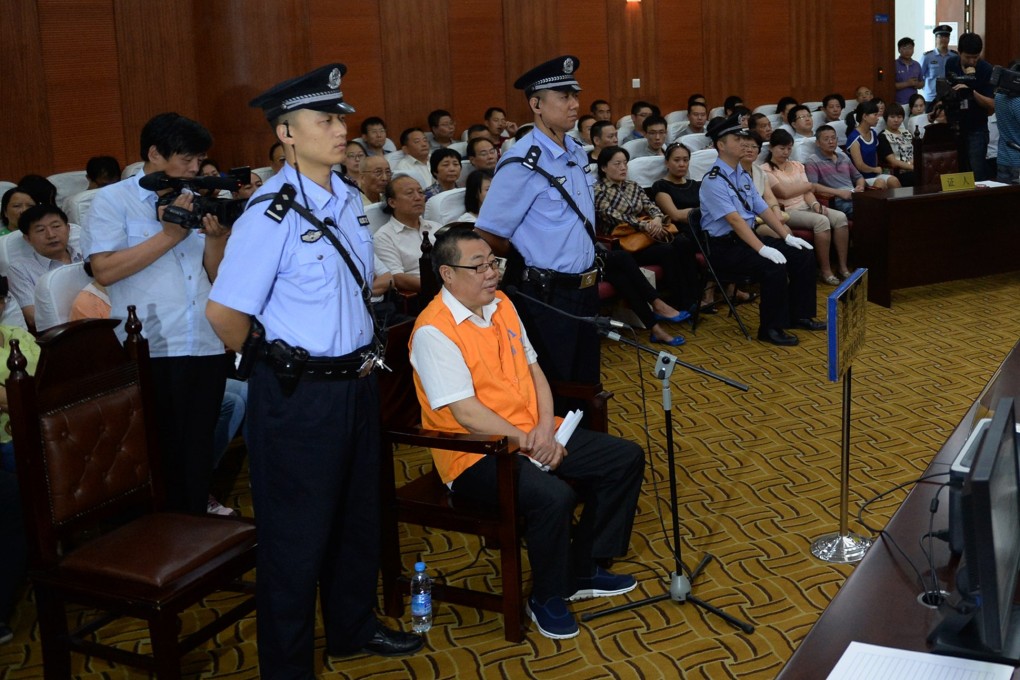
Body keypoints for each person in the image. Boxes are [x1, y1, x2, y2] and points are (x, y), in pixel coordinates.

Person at [206, 63, 424, 678]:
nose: (341, 128)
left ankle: (352, 630)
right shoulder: (270, 212)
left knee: (358, 517)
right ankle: (288, 665)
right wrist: (274, 362)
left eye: (341, 116)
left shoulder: (347, 198)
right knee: (296, 538)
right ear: (287, 135)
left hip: (355, 386)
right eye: (325, 119)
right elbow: (224, 312)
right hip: (299, 397)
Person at [410, 228, 644, 640]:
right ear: (447, 274)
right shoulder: (434, 331)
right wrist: (530, 441)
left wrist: (543, 429)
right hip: (474, 453)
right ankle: (547, 596)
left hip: (533, 432)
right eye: (478, 266)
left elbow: (534, 370)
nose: (490, 273)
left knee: (624, 458)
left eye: (493, 263)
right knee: (554, 496)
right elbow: (466, 414)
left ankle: (581, 569)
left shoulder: (501, 303)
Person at [84, 111, 229, 516]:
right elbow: (105, 269)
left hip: (204, 336)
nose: (195, 168)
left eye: (199, 160)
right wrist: (169, 236)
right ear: (154, 153)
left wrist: (216, 240)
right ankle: (165, 537)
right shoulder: (113, 200)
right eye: (186, 160)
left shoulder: (197, 194)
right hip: (150, 340)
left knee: (199, 442)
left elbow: (215, 275)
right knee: (159, 449)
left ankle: (196, 527)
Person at [474, 55, 601, 385]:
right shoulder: (522, 163)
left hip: (586, 286)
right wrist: (524, 260)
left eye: (575, 96)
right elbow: (487, 231)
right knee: (556, 384)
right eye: (564, 97)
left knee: (587, 380)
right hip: (547, 294)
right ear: (536, 104)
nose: (574, 104)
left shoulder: (576, 150)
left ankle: (585, 438)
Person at [698, 115, 824, 346]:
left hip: (748, 240)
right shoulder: (713, 181)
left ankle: (800, 315)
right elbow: (735, 221)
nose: (743, 143)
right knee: (773, 265)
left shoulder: (741, 174)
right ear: (721, 145)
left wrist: (787, 236)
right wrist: (763, 248)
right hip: (725, 248)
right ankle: (771, 328)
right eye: (736, 139)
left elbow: (763, 208)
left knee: (802, 254)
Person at [593, 146, 695, 344]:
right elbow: (613, 217)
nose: (623, 168)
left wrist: (657, 220)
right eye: (617, 164)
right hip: (621, 244)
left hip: (644, 238)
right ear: (604, 167)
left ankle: (682, 301)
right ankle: (663, 307)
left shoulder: (633, 185)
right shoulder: (599, 191)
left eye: (625, 163)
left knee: (673, 248)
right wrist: (646, 225)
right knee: (662, 251)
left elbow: (651, 206)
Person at [761, 129, 850, 284]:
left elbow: (808, 191)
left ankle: (842, 267)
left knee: (840, 217)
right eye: (781, 148)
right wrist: (809, 185)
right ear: (771, 148)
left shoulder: (797, 165)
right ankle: (825, 270)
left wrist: (815, 203)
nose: (786, 152)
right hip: (787, 210)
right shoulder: (765, 169)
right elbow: (785, 192)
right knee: (821, 221)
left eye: (789, 148)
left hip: (806, 205)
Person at [9, 204, 83, 331]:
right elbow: (33, 317)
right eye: (40, 230)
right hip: (62, 334)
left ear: (68, 229)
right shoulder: (20, 269)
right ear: (28, 238)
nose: (51, 235)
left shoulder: (87, 253)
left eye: (56, 226)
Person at [374, 174, 440, 293]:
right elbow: (396, 277)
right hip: (420, 296)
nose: (418, 197)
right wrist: (438, 289)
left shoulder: (436, 227)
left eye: (420, 192)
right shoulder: (384, 237)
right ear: (392, 202)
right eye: (409, 193)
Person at [945, 32, 996, 181]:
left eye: (976, 57)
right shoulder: (951, 63)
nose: (972, 61)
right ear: (959, 52)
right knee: (957, 170)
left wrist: (971, 91)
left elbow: (991, 104)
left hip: (977, 127)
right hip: (954, 125)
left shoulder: (986, 69)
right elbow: (946, 88)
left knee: (977, 171)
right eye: (968, 57)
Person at [805, 124, 866, 217]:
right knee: (866, 211)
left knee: (882, 207)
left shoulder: (844, 156)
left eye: (833, 138)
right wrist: (840, 193)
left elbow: (859, 177)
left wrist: (860, 187)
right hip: (835, 199)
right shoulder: (812, 161)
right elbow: (813, 186)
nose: (831, 142)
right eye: (826, 139)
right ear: (817, 143)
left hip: (855, 196)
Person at [845, 101, 900, 189]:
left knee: (894, 180)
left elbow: (875, 157)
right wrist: (874, 169)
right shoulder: (854, 137)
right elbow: (859, 165)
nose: (878, 118)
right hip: (860, 178)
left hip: (875, 174)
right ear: (865, 116)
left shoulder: (873, 133)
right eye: (875, 115)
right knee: (880, 183)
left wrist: (877, 169)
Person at [877, 102, 915, 186]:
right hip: (898, 172)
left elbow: (915, 152)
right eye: (892, 117)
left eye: (899, 117)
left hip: (914, 167)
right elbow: (893, 161)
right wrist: (913, 167)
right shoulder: (883, 136)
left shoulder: (907, 133)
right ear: (886, 118)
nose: (896, 120)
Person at [995, 60, 1020, 184]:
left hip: (1003, 159)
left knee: (1005, 201)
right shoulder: (1017, 102)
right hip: (1018, 163)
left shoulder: (998, 96)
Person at [921, 24, 956, 105]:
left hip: (949, 97)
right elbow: (920, 76)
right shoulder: (927, 57)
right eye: (941, 37)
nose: (944, 39)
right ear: (936, 38)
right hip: (931, 98)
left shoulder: (954, 56)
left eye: (946, 37)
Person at [894, 37, 924, 105]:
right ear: (899, 50)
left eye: (910, 48)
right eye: (904, 48)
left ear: (913, 50)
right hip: (898, 102)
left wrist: (918, 84)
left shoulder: (917, 65)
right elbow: (889, 85)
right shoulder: (894, 64)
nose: (907, 51)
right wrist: (908, 83)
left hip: (914, 104)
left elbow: (922, 82)